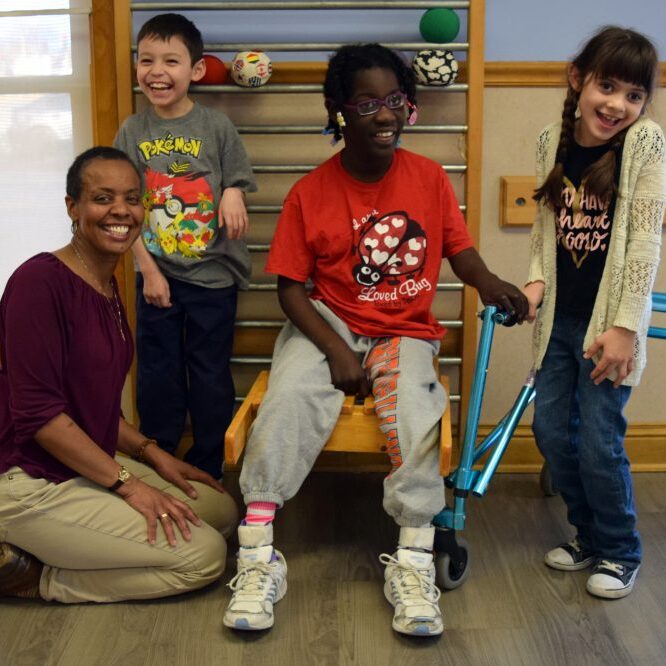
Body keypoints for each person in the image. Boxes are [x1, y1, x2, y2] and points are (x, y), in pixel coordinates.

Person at [222, 43, 528, 636]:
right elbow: (290, 290)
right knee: (285, 398)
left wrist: (489, 283)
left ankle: (413, 561)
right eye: (367, 103)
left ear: (408, 108)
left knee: (417, 410)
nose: (384, 115)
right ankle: (258, 556)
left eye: (394, 101)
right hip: (326, 321)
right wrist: (336, 350)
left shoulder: (430, 178)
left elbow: (459, 250)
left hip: (403, 329)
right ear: (339, 111)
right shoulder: (311, 191)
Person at [0, 147, 238, 603]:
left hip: (77, 461)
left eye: (131, 198)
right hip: (25, 478)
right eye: (102, 197)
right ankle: (35, 577)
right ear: (72, 206)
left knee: (220, 514)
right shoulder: (37, 283)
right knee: (203, 557)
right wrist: (129, 486)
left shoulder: (106, 282)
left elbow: (90, 406)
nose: (120, 212)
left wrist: (152, 454)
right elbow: (41, 415)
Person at [523, 26, 665, 599]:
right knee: (553, 431)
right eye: (607, 86)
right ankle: (587, 536)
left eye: (634, 95)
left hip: (610, 327)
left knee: (599, 442)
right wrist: (535, 281)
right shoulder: (548, 141)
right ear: (577, 78)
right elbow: (543, 227)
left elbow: (643, 244)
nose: (618, 105)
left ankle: (619, 550)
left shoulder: (645, 143)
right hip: (559, 322)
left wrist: (625, 329)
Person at [114, 13, 257, 479]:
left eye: (171, 61)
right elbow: (125, 209)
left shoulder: (216, 127)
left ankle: (210, 465)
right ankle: (160, 462)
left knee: (210, 375)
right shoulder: (132, 132)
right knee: (157, 377)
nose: (157, 71)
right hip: (158, 278)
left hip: (213, 278)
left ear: (196, 70)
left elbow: (236, 177)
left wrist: (232, 191)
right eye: (146, 60)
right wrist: (149, 272)